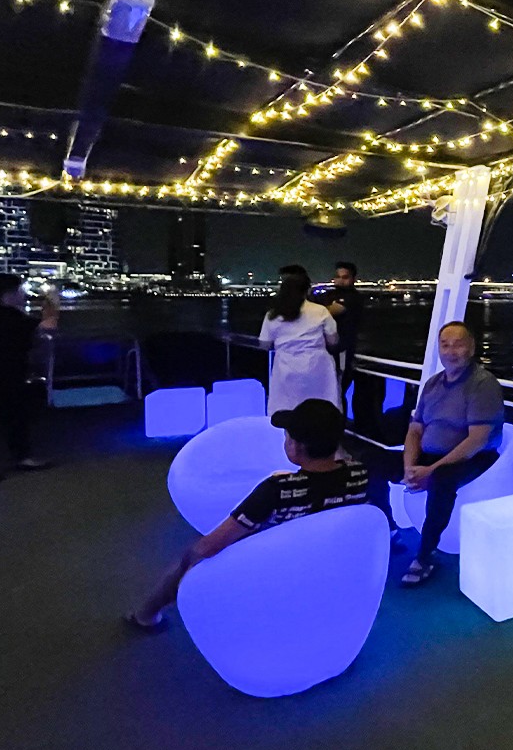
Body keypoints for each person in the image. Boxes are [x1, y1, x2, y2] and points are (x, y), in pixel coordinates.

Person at [125, 399, 370, 632]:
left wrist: (191, 559)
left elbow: (211, 545)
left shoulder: (277, 490)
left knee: (193, 555)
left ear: (297, 446)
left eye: (286, 437)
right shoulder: (359, 474)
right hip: (335, 570)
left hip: (282, 572)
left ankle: (147, 615)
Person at [399, 321, 505, 587]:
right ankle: (390, 528)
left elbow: (476, 440)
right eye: (444, 344)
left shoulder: (482, 384)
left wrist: (430, 471)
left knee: (443, 480)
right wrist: (409, 467)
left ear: (471, 348)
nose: (450, 350)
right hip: (431, 455)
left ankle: (425, 556)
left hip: (475, 458)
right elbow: (415, 430)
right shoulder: (433, 384)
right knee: (373, 461)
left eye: (458, 344)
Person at [0, 274, 59, 482]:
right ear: (8, 295)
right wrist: (52, 300)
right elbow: (48, 325)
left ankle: (22, 456)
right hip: (5, 374)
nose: (23, 295)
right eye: (19, 291)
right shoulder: (10, 317)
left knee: (14, 416)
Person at [259, 269, 340, 416]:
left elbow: (264, 344)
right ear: (307, 290)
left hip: (286, 367)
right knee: (320, 409)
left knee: (287, 410)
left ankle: (290, 438)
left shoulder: (273, 314)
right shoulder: (320, 311)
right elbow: (333, 339)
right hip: (318, 366)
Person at [317, 261, 368, 411]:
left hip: (342, 350)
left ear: (353, 279)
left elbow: (328, 312)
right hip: (327, 352)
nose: (340, 280)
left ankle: (338, 428)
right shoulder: (330, 294)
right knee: (327, 392)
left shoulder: (352, 297)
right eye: (338, 277)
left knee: (337, 392)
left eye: (345, 277)